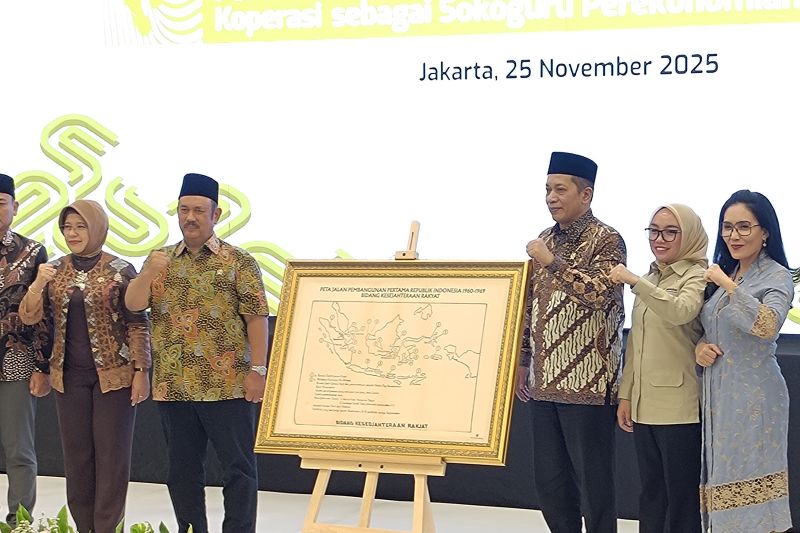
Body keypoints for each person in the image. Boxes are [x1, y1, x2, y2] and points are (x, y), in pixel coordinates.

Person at [125, 173, 269, 533]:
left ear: (215, 215)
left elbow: (256, 318)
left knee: (238, 468)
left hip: (228, 384)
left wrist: (259, 370)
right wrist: (148, 273)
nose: (190, 217)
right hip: (175, 387)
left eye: (199, 211)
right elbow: (134, 304)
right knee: (182, 472)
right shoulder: (159, 259)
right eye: (184, 210)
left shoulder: (239, 261)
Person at [19, 199, 151, 533]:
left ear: (97, 228)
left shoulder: (121, 269)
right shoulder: (54, 269)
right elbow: (31, 318)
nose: (73, 233)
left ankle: (107, 527)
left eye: (81, 226)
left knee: (111, 458)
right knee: (77, 459)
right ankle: (83, 527)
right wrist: (37, 284)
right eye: (67, 227)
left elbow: (137, 323)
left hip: (114, 377)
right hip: (68, 377)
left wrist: (141, 371)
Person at [516, 152, 626, 533]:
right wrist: (523, 360)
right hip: (544, 384)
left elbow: (598, 293)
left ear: (586, 194)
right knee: (550, 484)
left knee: (595, 488)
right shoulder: (545, 239)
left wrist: (552, 263)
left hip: (589, 387)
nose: (551, 197)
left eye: (560, 190)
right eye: (547, 189)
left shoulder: (607, 240)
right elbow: (530, 305)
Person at [695, 190, 793, 533]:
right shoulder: (729, 272)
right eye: (727, 227)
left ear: (765, 231)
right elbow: (713, 328)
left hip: (755, 399)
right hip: (719, 396)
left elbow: (768, 325)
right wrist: (701, 347)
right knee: (722, 479)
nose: (733, 235)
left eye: (743, 227)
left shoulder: (777, 276)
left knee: (754, 487)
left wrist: (728, 285)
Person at [609, 204, 707, 533]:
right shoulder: (651, 277)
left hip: (680, 408)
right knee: (651, 492)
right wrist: (626, 395)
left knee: (681, 496)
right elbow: (636, 342)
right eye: (653, 231)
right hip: (645, 404)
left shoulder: (697, 275)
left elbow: (681, 311)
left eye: (670, 232)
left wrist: (636, 282)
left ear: (688, 235)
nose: (659, 239)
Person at [0, 173, 52, 526]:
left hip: (15, 359)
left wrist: (42, 365)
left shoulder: (32, 252)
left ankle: (18, 523)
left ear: (15, 207)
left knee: (18, 448)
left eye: (0, 203)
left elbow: (43, 315)